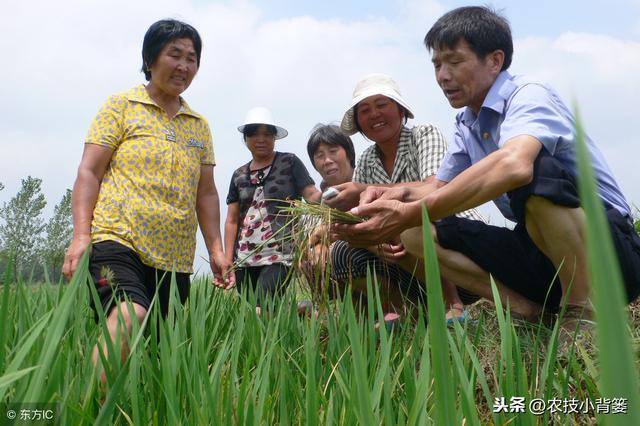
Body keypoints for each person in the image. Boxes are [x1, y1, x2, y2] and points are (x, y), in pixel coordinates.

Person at [333, 6, 640, 341]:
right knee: (413, 231)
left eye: (454, 61)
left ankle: (583, 311)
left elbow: (515, 165)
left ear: (494, 60)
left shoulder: (529, 93)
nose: (443, 76)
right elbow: (436, 185)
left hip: (608, 252)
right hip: (540, 252)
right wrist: (382, 197)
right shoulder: (468, 122)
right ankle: (527, 310)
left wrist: (408, 210)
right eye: (437, 64)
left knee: (535, 174)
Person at [61, 19, 231, 378]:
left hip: (173, 258)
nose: (184, 66)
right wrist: (80, 236)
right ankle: (77, 410)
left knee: (155, 350)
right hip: (116, 240)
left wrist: (216, 249)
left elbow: (206, 193)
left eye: (192, 58)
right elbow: (89, 172)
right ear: (150, 58)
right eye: (175, 54)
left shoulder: (198, 124)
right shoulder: (121, 106)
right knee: (129, 314)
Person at [326, 74, 483, 323]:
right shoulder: (367, 159)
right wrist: (372, 242)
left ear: (400, 110)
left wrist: (365, 190)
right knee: (344, 250)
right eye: (365, 110)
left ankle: (451, 305)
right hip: (406, 264)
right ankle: (403, 310)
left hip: (456, 253)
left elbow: (435, 187)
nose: (374, 115)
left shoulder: (424, 135)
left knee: (406, 221)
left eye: (381, 105)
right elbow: (365, 216)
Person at [222, 107, 321, 313]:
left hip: (280, 253)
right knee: (255, 311)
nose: (261, 139)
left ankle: (294, 316)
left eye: (267, 134)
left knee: (262, 304)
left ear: (275, 138)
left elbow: (311, 194)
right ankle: (299, 313)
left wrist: (334, 195)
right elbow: (232, 219)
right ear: (246, 139)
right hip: (245, 256)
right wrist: (228, 258)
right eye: (255, 134)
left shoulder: (289, 162)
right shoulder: (239, 175)